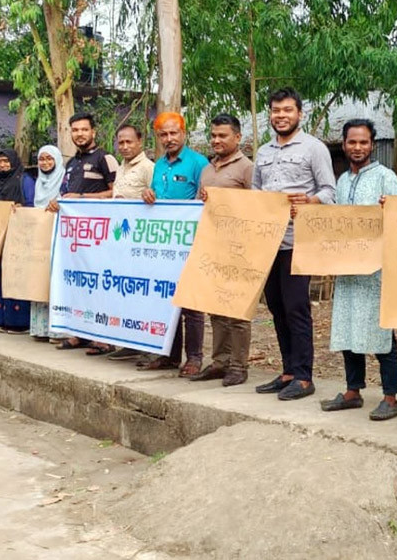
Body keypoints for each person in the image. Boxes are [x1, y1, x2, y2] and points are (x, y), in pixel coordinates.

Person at [251, 87, 336, 401]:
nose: (281, 116)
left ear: (300, 114)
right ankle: (287, 370)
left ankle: (303, 376)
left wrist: (312, 200)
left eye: (287, 110)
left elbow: (330, 190)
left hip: (298, 242)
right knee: (275, 307)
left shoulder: (314, 149)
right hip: (267, 242)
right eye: (275, 110)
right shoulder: (263, 152)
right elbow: (255, 193)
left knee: (296, 308)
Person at [319, 119, 397, 420]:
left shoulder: (385, 177)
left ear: (373, 145)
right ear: (344, 144)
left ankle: (391, 396)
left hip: (376, 272)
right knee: (347, 328)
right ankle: (353, 391)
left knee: (380, 333)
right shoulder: (342, 181)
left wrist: (391, 207)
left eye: (363, 142)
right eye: (352, 142)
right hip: (348, 272)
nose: (357, 147)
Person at [185, 114, 254, 387]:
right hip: (211, 246)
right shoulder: (207, 170)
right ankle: (220, 361)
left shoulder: (247, 168)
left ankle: (239, 366)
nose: (216, 140)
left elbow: (258, 206)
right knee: (216, 307)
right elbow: (198, 205)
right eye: (213, 135)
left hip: (239, 248)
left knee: (237, 309)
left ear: (238, 138)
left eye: (222, 136)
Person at [138, 112, 209, 372]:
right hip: (163, 246)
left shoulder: (199, 163)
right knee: (165, 301)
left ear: (183, 132)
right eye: (163, 135)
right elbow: (156, 194)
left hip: (190, 243)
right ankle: (168, 355)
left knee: (190, 303)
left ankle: (195, 358)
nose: (169, 139)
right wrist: (148, 194)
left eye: (173, 133)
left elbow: (205, 199)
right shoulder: (158, 165)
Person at [52, 113, 118, 354]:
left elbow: (115, 193)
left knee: (101, 285)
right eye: (75, 130)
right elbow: (65, 194)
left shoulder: (105, 158)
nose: (79, 134)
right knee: (79, 285)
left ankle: (104, 339)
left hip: (100, 235)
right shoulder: (71, 163)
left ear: (94, 132)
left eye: (84, 129)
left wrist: (82, 197)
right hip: (75, 238)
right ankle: (81, 334)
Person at [104, 124, 156, 362]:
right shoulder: (121, 168)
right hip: (120, 241)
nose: (124, 147)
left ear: (140, 142)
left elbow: (154, 200)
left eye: (129, 142)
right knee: (123, 293)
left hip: (140, 241)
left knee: (142, 295)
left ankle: (148, 346)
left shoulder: (148, 168)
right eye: (120, 142)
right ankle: (128, 341)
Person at [0, 150, 35, 333]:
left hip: (20, 235)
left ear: (14, 162)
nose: (2, 165)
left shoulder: (24, 179)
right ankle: (2, 318)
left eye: (6, 161)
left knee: (17, 274)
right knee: (1, 275)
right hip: (1, 235)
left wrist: (20, 208)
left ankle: (19, 321)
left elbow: (32, 204)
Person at [29, 145, 65, 343]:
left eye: (49, 159)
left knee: (55, 279)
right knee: (40, 278)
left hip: (59, 236)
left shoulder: (63, 179)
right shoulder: (39, 183)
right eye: (41, 159)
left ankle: (58, 331)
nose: (45, 163)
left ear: (57, 160)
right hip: (40, 235)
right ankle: (40, 328)